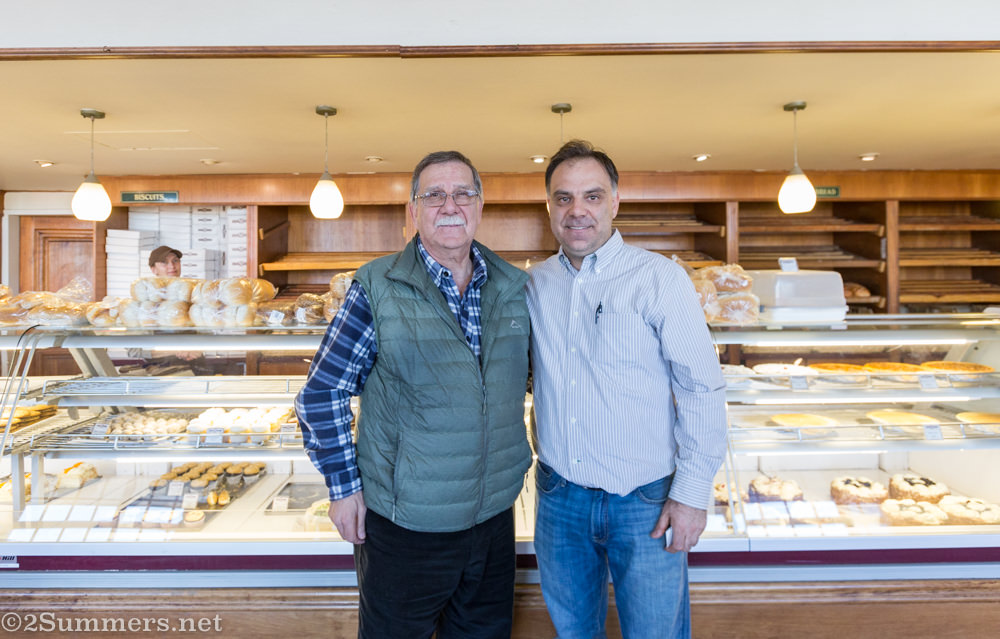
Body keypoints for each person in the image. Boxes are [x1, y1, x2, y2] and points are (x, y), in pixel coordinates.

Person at [294, 150, 532, 639]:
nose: (451, 205)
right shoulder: (378, 286)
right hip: (406, 525)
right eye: (434, 195)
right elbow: (323, 392)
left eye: (463, 193)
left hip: (492, 520)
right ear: (413, 212)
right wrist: (343, 488)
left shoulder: (513, 287)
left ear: (480, 206)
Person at [526, 140, 727, 639]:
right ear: (549, 206)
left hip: (647, 501)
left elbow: (701, 387)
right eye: (564, 198)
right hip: (559, 498)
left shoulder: (658, 278)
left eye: (592, 196)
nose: (578, 211)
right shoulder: (534, 284)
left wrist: (692, 494)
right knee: (574, 633)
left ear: (615, 201)